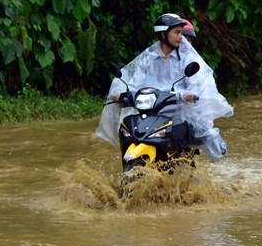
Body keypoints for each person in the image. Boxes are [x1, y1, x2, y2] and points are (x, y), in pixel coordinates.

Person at [96, 13, 233, 161]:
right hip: (149, 114)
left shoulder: (188, 61)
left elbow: (197, 84)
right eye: (177, 32)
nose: (181, 38)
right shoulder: (148, 59)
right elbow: (134, 83)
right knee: (129, 129)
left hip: (177, 116)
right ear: (163, 34)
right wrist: (122, 93)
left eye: (182, 33)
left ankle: (180, 169)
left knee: (179, 135)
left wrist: (187, 95)